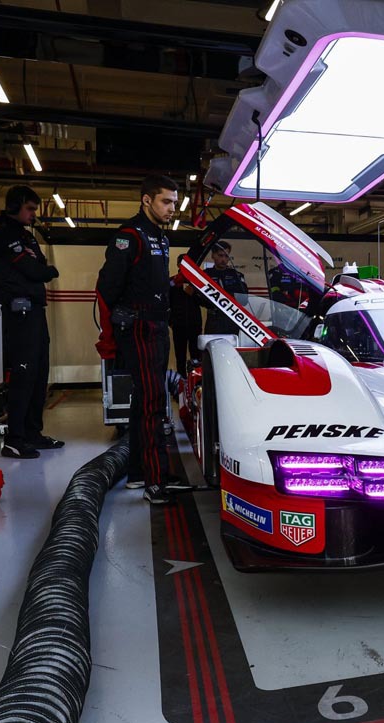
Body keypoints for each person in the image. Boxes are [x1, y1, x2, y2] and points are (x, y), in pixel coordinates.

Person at [96, 174, 188, 504]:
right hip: (138, 329)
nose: (172, 209)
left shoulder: (160, 237)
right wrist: (118, 325)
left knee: (145, 403)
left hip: (158, 327)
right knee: (152, 403)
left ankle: (139, 472)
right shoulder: (129, 236)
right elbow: (107, 287)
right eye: (166, 201)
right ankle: (155, 480)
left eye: (174, 203)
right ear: (147, 200)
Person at [0, 185, 64, 459]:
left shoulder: (27, 237)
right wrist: (43, 270)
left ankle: (32, 433)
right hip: (19, 314)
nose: (33, 214)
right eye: (30, 209)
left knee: (39, 373)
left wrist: (41, 269)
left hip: (35, 312)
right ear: (15, 207)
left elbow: (40, 266)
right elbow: (37, 270)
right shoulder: (3, 235)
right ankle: (15, 439)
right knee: (23, 376)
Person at [200, 241, 249, 335]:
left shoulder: (236, 275)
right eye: (220, 255)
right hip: (213, 319)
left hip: (232, 319)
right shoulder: (206, 275)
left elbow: (244, 300)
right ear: (213, 255)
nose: (223, 259)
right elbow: (200, 299)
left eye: (226, 256)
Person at [168, 270, 201, 375]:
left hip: (194, 325)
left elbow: (204, 301)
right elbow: (165, 301)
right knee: (180, 356)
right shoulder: (172, 281)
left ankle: (196, 378)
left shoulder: (196, 280)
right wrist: (171, 321)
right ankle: (181, 378)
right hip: (178, 325)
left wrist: (194, 294)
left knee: (196, 355)